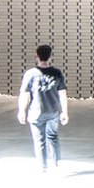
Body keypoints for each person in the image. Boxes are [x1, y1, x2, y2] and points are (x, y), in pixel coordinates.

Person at [16, 44, 69, 173]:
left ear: (36, 56)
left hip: (36, 113)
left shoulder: (30, 74)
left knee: (39, 141)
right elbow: (62, 94)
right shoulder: (56, 73)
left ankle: (43, 168)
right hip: (53, 112)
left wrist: (21, 111)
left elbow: (25, 94)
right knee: (53, 137)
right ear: (50, 56)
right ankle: (57, 165)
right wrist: (65, 112)